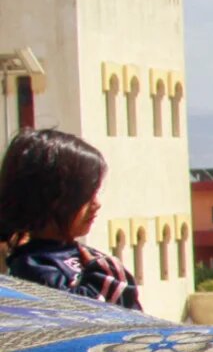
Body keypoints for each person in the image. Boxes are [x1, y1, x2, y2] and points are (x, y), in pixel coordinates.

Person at [0, 129, 140, 309]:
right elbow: (80, 315)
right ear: (52, 199)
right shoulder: (31, 266)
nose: (96, 204)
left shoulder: (84, 255)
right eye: (87, 195)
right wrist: (104, 276)